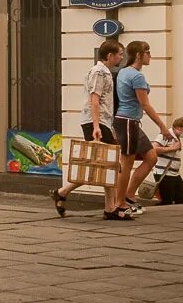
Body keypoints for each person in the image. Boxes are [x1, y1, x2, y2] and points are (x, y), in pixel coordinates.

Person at [52, 40, 127, 219]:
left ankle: (62, 193)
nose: (121, 57)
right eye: (119, 54)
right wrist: (96, 127)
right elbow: (95, 99)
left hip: (102, 122)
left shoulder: (105, 72)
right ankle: (110, 209)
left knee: (103, 164)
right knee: (108, 164)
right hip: (96, 122)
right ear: (110, 55)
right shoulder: (99, 72)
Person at [115, 40, 172, 217]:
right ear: (138, 55)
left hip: (128, 122)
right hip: (128, 122)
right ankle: (120, 202)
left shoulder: (124, 72)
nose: (150, 55)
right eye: (147, 52)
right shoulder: (137, 76)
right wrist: (163, 127)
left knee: (151, 156)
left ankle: (129, 195)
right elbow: (145, 105)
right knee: (127, 163)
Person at [152, 116, 183, 205]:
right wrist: (172, 148)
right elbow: (154, 150)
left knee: (181, 200)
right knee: (167, 201)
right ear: (179, 128)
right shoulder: (166, 135)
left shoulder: (176, 137)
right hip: (164, 174)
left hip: (174, 174)